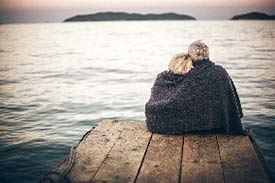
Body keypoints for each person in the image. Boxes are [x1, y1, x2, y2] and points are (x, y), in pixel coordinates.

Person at [145, 40, 244, 135]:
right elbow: (231, 100)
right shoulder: (221, 71)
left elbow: (180, 100)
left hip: (198, 124)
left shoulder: (191, 75)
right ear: (208, 54)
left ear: (190, 56)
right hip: (218, 124)